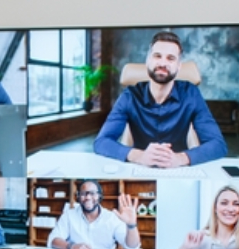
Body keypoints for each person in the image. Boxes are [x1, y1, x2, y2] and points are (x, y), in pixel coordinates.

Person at [92, 31, 227, 168]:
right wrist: (140, 156)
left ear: (179, 66)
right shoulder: (130, 96)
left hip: (177, 169)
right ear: (148, 61)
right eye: (157, 56)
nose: (163, 63)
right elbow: (101, 142)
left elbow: (218, 145)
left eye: (170, 58)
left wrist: (180, 158)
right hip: (140, 168)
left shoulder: (191, 94)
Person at [47, 180, 141, 249]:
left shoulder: (111, 218)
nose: (88, 197)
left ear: (100, 196)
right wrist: (72, 246)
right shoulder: (69, 215)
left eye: (92, 193)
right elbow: (53, 240)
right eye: (83, 193)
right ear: (78, 197)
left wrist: (131, 225)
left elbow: (131, 247)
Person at [173, 185, 239, 249]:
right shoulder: (201, 238)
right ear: (215, 208)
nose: (230, 209)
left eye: (236, 204)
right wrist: (184, 248)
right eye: (224, 203)